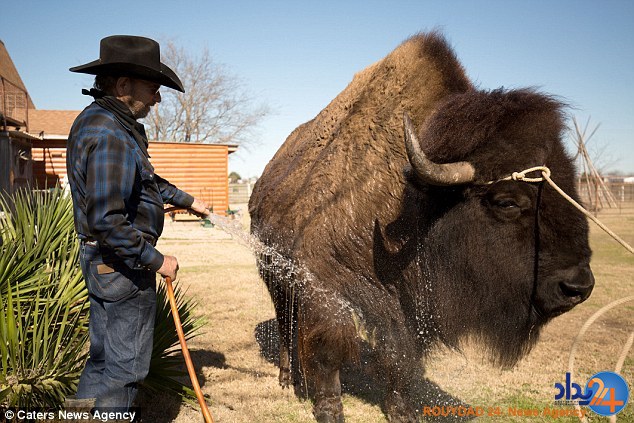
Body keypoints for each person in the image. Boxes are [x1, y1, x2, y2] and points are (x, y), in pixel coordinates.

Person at [65, 35, 209, 412]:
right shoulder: (111, 133)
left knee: (103, 362)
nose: (158, 98)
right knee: (123, 370)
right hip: (122, 266)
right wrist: (158, 260)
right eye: (153, 88)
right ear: (124, 84)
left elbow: (143, 182)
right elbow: (108, 221)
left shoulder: (102, 121)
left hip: (106, 263)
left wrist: (188, 201)